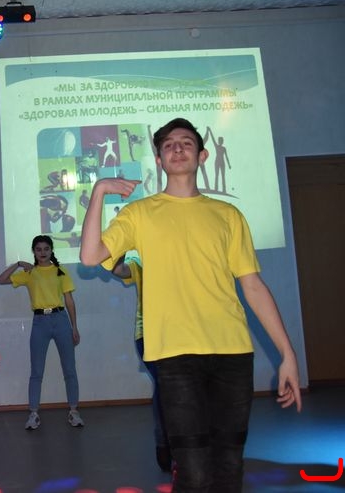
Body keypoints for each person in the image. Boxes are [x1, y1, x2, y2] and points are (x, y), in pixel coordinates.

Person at [80, 117, 302, 492]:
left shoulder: (228, 215)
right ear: (159, 160)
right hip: (174, 356)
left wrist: (288, 354)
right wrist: (100, 190)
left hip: (232, 354)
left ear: (202, 156)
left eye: (186, 142)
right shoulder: (139, 213)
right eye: (168, 144)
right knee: (194, 472)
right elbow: (90, 256)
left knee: (229, 467)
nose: (177, 148)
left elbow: (253, 285)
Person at [0, 235, 82, 430]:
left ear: (51, 250)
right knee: (36, 371)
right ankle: (34, 413)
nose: (42, 252)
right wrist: (18, 264)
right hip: (40, 322)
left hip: (61, 320)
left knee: (69, 369)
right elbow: (1, 280)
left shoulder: (60, 271)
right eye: (38, 249)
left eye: (46, 249)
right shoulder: (30, 273)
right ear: (34, 252)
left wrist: (74, 326)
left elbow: (69, 300)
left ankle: (74, 411)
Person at [111, 255, 171, 472]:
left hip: (181, 332)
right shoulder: (139, 264)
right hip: (147, 335)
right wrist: (121, 244)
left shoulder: (179, 258)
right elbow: (117, 269)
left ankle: (185, 442)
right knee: (164, 384)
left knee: (182, 386)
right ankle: (164, 442)